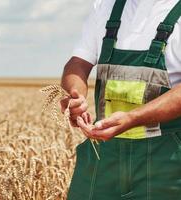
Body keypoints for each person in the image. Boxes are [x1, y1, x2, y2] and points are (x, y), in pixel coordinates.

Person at [60, 0, 181, 199]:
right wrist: (74, 95)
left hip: (167, 162)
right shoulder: (105, 6)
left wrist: (132, 118)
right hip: (103, 158)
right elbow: (78, 63)